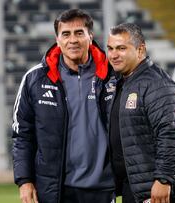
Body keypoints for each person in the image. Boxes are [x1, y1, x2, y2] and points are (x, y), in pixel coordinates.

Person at [12, 9, 116, 203]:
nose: (73, 40)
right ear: (57, 39)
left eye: (79, 33)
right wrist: (24, 181)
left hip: (102, 187)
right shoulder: (34, 79)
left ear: (90, 36)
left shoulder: (113, 75)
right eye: (66, 34)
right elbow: (22, 135)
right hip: (55, 189)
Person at [106, 22, 175, 203]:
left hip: (158, 189)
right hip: (137, 187)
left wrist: (163, 179)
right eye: (110, 49)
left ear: (140, 50)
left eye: (121, 48)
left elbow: (171, 133)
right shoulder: (122, 82)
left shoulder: (157, 83)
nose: (114, 55)